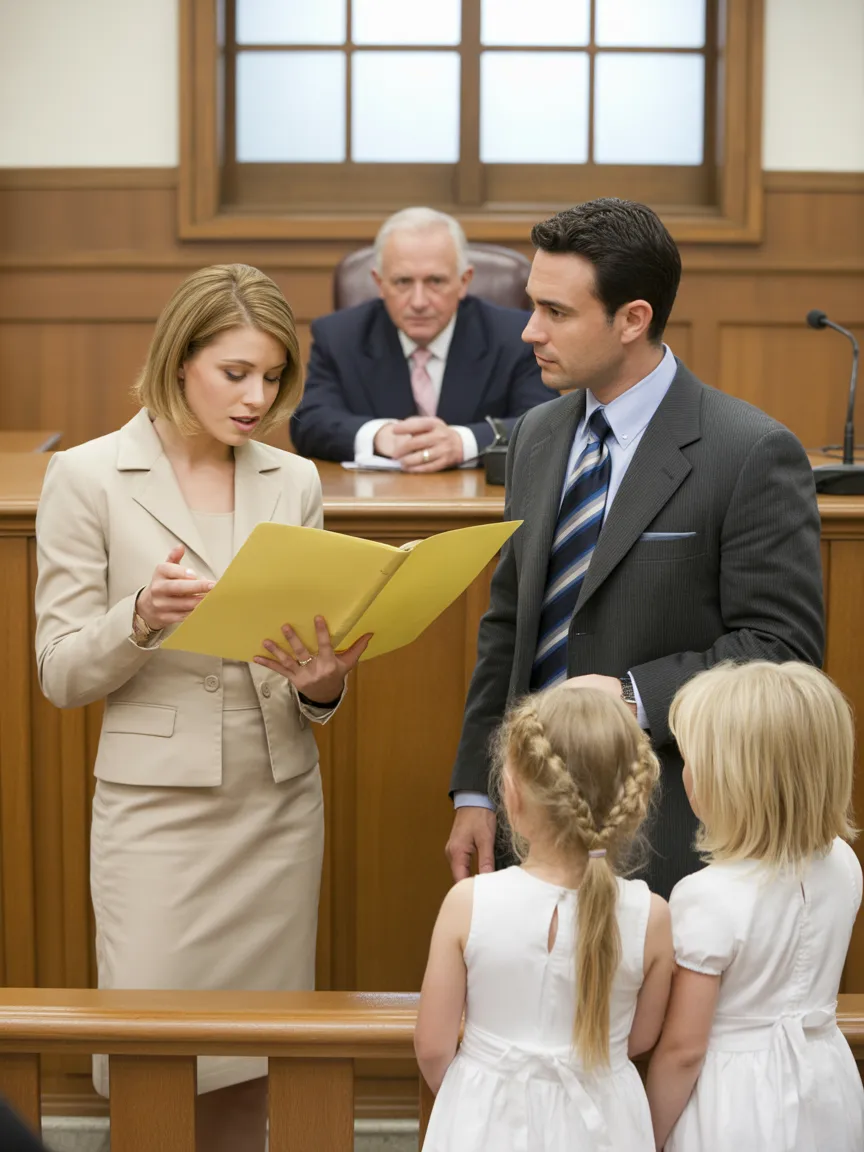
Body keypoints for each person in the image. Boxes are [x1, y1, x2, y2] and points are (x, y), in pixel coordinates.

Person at [34, 264, 370, 1152]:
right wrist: (141, 617)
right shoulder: (87, 476)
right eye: (236, 373)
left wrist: (323, 681)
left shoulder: (293, 478)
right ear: (179, 359)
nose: (257, 398)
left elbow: (306, 665)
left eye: (273, 377)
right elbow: (60, 672)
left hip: (277, 808)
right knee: (154, 1059)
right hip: (157, 816)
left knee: (255, 1056)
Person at [446, 198, 825, 899]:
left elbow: (782, 648)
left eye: (556, 312)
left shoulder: (750, 451)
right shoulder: (535, 435)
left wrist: (634, 696)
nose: (530, 331)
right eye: (532, 305)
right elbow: (508, 626)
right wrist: (476, 787)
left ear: (632, 319)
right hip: (527, 829)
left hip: (665, 825)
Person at [416, 684, 673, 1151]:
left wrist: (471, 1098)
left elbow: (433, 1046)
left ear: (511, 795)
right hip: (605, 1122)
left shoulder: (469, 903)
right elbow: (639, 1039)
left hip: (485, 1119)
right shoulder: (651, 916)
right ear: (633, 802)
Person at [647, 661, 864, 1151]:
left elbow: (683, 1049)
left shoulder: (707, 896)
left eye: (693, 760)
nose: (685, 774)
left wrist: (647, 1136)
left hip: (736, 1105)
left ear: (732, 782)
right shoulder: (845, 863)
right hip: (828, 1087)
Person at [289, 206, 553, 469]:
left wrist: (463, 442)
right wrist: (379, 436)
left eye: (435, 281)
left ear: (464, 281)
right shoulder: (338, 336)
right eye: (403, 282)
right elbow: (309, 422)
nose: (418, 302)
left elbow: (545, 424)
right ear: (380, 283)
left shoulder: (515, 336)